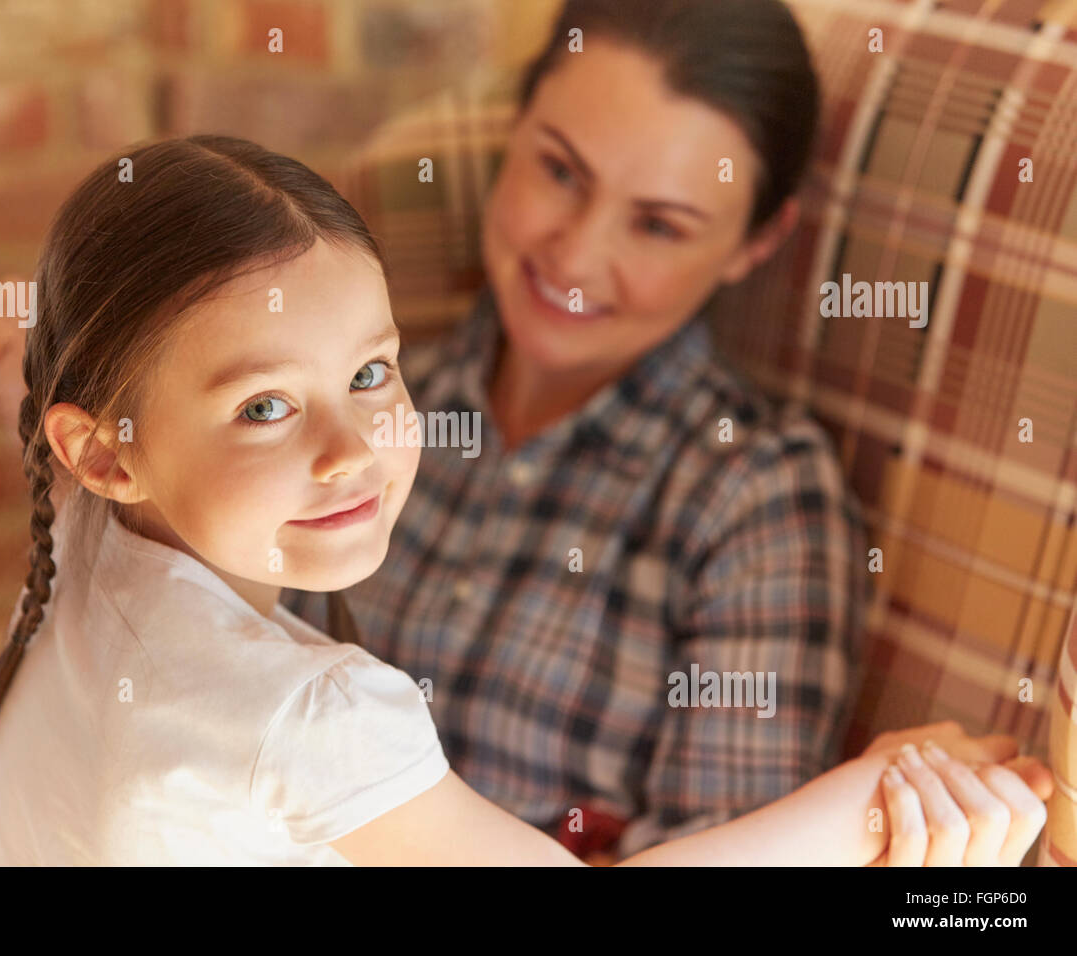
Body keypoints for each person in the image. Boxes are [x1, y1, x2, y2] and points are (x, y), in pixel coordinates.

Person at [0, 133, 1050, 866]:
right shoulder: (308, 718)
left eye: (372, 374)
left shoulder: (94, 529)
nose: (353, 450)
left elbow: (68, 443)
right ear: (106, 454)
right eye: (263, 408)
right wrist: (871, 794)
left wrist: (31, 376)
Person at [281, 0, 885, 859]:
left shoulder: (758, 497)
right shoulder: (374, 396)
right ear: (515, 129)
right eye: (561, 172)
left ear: (756, 242)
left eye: (658, 224)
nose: (575, 255)